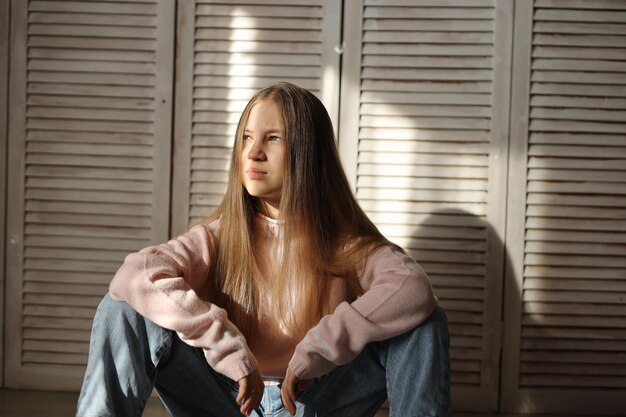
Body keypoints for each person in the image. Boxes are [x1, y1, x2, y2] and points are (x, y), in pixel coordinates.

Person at [76, 82, 451, 417]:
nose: (253, 153)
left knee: (422, 321)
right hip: (230, 400)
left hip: (314, 403)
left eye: (273, 138)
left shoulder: (347, 246)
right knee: (124, 306)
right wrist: (228, 347)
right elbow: (134, 275)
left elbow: (414, 288)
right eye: (246, 138)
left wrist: (316, 351)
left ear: (308, 153)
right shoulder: (218, 238)